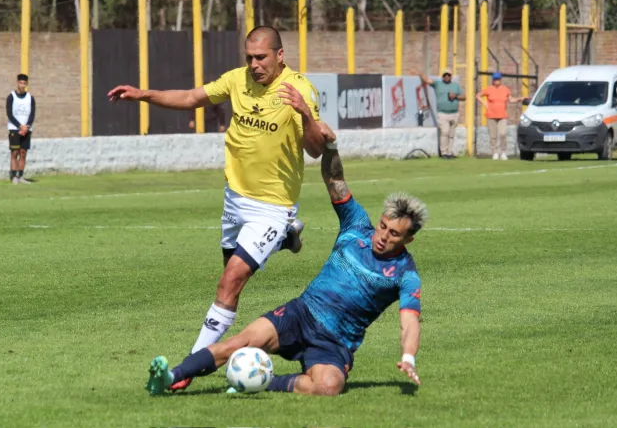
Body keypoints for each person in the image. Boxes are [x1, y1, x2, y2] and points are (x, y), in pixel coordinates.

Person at [109, 25, 326, 391]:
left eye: (261, 58)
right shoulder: (236, 80)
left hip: (272, 206)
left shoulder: (299, 89)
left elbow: (316, 149)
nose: (254, 65)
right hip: (234, 200)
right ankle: (286, 238)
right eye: (249, 58)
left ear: (279, 56)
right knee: (230, 277)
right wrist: (143, 94)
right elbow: (192, 97)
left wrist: (305, 114)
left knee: (230, 283)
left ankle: (188, 367)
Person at [145, 123, 427, 396]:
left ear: (408, 239)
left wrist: (409, 357)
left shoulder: (405, 273)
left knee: (329, 386)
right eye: (382, 226)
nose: (383, 236)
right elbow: (336, 181)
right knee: (239, 343)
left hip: (335, 342)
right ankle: (172, 376)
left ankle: (263, 382)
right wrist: (331, 146)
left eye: (394, 234)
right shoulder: (356, 226)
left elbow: (410, 322)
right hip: (300, 314)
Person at [416, 68, 465, 158]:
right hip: (442, 113)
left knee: (451, 134)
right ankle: (444, 153)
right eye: (445, 75)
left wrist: (455, 95)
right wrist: (421, 73)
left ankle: (450, 152)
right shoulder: (438, 84)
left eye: (448, 75)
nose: (447, 77)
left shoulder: (455, 85)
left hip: (454, 113)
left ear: (451, 76)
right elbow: (427, 80)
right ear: (442, 76)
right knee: (445, 132)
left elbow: (464, 96)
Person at [476, 72, 526, 160]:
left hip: (502, 116)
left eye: (498, 79)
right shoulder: (489, 89)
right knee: (493, 135)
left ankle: (503, 152)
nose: (497, 81)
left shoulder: (505, 89)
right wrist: (485, 104)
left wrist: (519, 99)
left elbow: (510, 99)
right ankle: (495, 152)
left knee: (503, 134)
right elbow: (478, 96)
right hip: (491, 115)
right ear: (493, 80)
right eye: (495, 79)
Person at [7, 73, 36, 184]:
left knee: (23, 153)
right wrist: (20, 126)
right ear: (17, 83)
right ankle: (14, 176)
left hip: (26, 129)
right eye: (21, 83)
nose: (22, 85)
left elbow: (32, 114)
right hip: (15, 128)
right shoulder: (11, 97)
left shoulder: (30, 98)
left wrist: (26, 127)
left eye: (24, 83)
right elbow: (9, 113)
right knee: (15, 152)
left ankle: (21, 176)